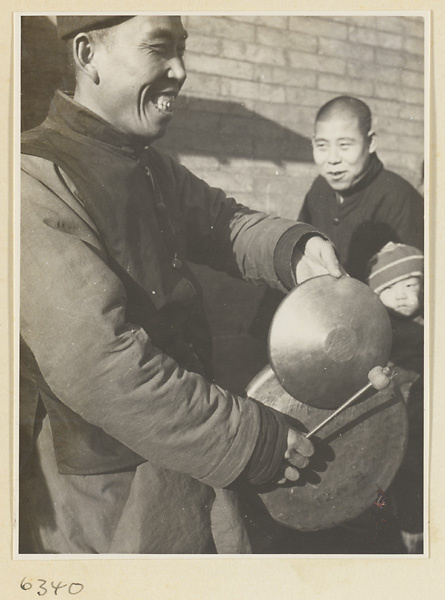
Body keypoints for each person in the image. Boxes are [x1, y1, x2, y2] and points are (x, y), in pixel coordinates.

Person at [19, 15, 344, 554]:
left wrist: (293, 248)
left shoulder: (147, 165)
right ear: (86, 54)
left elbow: (222, 222)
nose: (181, 70)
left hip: (194, 463)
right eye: (159, 49)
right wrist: (252, 438)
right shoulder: (33, 179)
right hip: (113, 502)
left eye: (182, 49)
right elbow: (102, 367)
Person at [298, 95, 424, 281]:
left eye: (345, 145)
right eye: (322, 146)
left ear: (370, 142)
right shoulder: (320, 188)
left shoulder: (399, 197)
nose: (333, 159)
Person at [366, 242, 424, 553]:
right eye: (390, 287)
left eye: (410, 284)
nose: (402, 294)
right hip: (396, 423)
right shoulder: (386, 329)